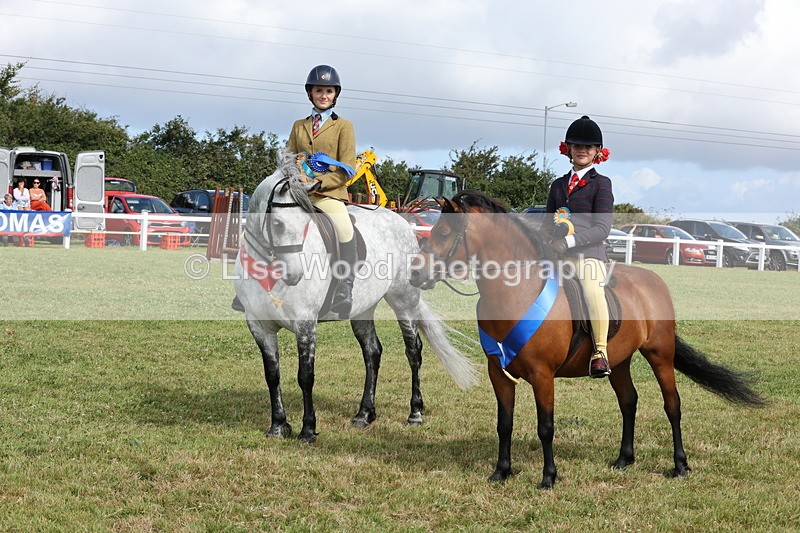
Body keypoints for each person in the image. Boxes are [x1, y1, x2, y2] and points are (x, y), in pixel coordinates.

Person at [233, 64, 358, 318]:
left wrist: (319, 183)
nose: (324, 95)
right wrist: (294, 178)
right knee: (268, 222)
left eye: (329, 91)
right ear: (310, 93)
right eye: (319, 90)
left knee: (344, 228)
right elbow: (288, 159)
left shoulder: (344, 126)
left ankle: (345, 286)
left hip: (327, 194)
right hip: (296, 194)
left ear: (336, 95)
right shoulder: (299, 125)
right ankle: (248, 286)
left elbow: (348, 168)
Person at [545, 115, 613, 378]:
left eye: (588, 147)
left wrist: (568, 241)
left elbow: (603, 228)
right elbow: (548, 222)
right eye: (577, 146)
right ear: (568, 149)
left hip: (588, 255)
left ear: (597, 152)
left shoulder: (601, 184)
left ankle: (600, 352)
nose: (582, 150)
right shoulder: (558, 185)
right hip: (557, 255)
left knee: (591, 289)